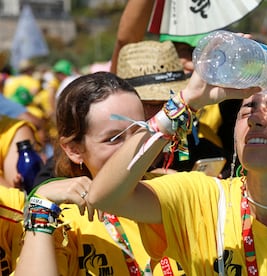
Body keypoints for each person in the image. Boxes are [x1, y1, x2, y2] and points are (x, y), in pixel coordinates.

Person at [86, 70, 267, 275]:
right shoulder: (199, 199)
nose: (256, 117)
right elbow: (104, 196)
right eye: (246, 110)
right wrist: (184, 103)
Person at [15, 72, 184, 275]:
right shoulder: (63, 222)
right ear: (74, 150)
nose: (133, 147)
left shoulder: (175, 190)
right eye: (114, 138)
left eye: (141, 130)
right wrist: (41, 206)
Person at [116, 40, 235, 175]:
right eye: (153, 104)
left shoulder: (204, 151)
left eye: (177, 102)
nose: (170, 111)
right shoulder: (107, 156)